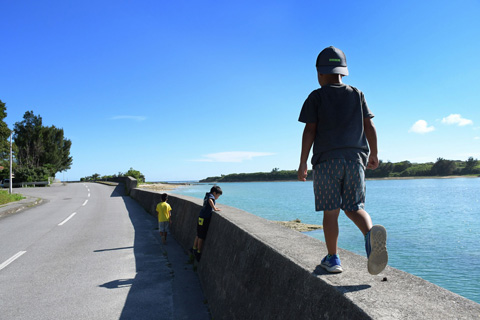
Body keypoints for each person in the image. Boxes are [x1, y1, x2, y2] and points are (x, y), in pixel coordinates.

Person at [297, 46, 388, 275]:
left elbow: (310, 130)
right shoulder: (357, 94)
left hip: (327, 161)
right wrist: (374, 153)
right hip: (355, 160)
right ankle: (370, 235)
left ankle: (333, 258)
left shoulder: (316, 97)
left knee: (331, 211)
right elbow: (370, 125)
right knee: (354, 207)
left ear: (319, 74)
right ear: (343, 72)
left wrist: (302, 162)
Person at [191, 186, 222, 261]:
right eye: (218, 195)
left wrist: (214, 208)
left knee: (198, 234)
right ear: (214, 193)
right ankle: (198, 252)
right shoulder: (211, 196)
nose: (218, 197)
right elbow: (210, 201)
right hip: (204, 218)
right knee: (201, 237)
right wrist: (214, 208)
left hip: (201, 216)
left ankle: (194, 248)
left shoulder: (207, 195)